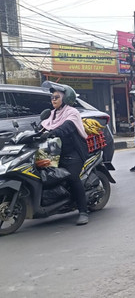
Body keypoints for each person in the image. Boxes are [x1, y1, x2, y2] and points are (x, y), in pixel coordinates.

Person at [41, 82, 91, 225]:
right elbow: (44, 126)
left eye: (56, 97)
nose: (53, 100)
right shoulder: (52, 114)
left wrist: (52, 133)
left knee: (72, 177)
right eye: (52, 97)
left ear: (65, 98)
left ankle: (83, 211)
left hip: (74, 152)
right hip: (56, 152)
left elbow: (65, 128)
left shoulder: (71, 112)